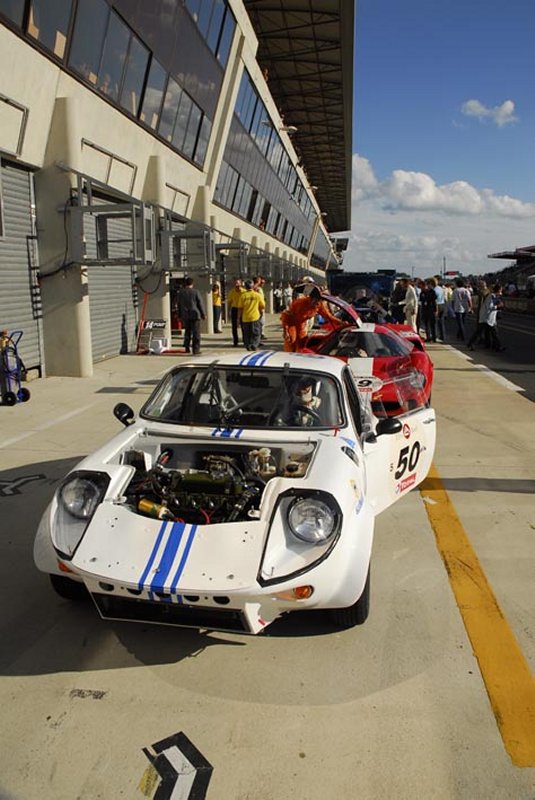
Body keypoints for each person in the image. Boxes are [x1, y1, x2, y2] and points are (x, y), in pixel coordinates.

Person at [281, 287, 343, 352]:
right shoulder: (300, 303)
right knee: (291, 340)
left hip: (301, 324)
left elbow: (328, 316)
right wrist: (286, 330)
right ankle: (289, 357)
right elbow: (286, 315)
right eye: (316, 300)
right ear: (311, 298)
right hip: (291, 323)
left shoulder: (319, 305)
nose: (317, 302)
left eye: (319, 300)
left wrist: (341, 323)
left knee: (303, 342)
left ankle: (299, 357)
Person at [178, 276, 206, 355]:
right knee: (196, 333)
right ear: (192, 284)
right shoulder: (195, 292)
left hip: (185, 315)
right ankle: (195, 349)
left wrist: (179, 315)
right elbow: (200, 303)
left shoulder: (181, 292)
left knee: (187, 332)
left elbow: (179, 304)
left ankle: (187, 347)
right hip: (195, 314)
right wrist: (203, 314)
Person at [238, 278, 265, 351]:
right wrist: (261, 313)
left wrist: (238, 318)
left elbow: (240, 308)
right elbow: (262, 306)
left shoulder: (242, 296)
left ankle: (248, 345)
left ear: (245, 287)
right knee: (256, 333)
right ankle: (254, 345)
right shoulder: (257, 295)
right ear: (252, 286)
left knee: (247, 334)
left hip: (245, 318)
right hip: (255, 317)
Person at [467, 280, 493, 350]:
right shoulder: (488, 292)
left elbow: (480, 303)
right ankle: (487, 343)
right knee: (488, 330)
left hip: (483, 312)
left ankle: (472, 343)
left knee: (479, 329)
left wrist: (478, 312)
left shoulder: (481, 293)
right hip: (488, 313)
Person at [226, 277, 244, 346]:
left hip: (242, 309)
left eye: (238, 283)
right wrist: (229, 311)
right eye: (236, 283)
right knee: (234, 326)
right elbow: (230, 302)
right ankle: (235, 341)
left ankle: (245, 340)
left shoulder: (244, 291)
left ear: (241, 284)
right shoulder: (232, 292)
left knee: (243, 326)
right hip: (235, 309)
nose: (237, 284)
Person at [420, 278, 438, 342]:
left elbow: (435, 301)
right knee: (426, 324)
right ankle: (428, 337)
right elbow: (421, 301)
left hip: (431, 309)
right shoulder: (422, 293)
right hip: (425, 309)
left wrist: (436, 310)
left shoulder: (432, 292)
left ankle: (434, 337)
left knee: (432, 324)